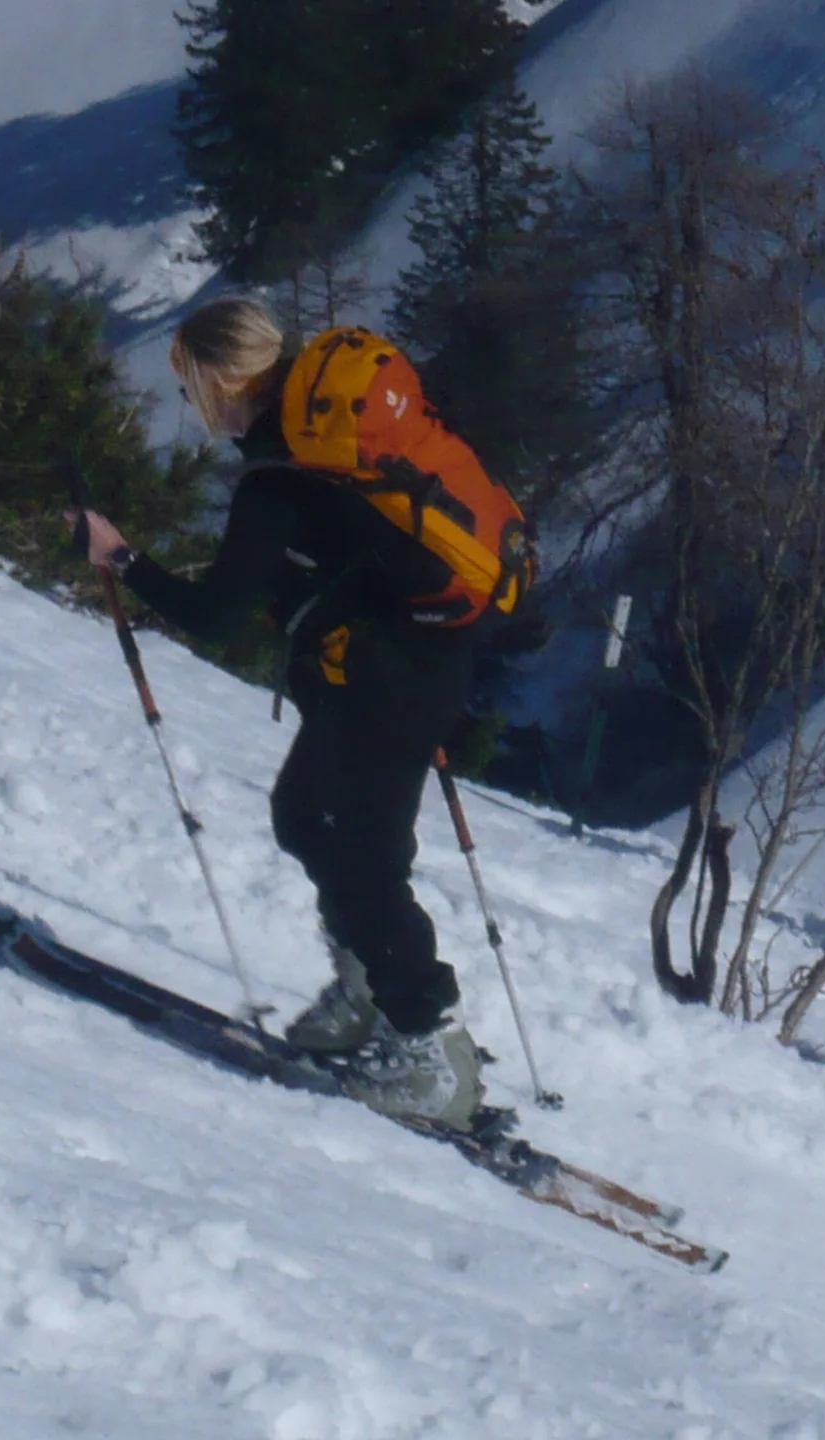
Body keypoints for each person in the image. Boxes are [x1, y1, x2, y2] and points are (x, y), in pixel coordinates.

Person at [70, 297, 485, 1129]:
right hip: (398, 670)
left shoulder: (284, 472)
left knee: (364, 858)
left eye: (192, 388)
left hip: (387, 682)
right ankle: (369, 997)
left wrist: (122, 557)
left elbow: (218, 618)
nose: (194, 408)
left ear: (226, 380)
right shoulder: (324, 436)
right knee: (305, 818)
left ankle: (432, 1053)